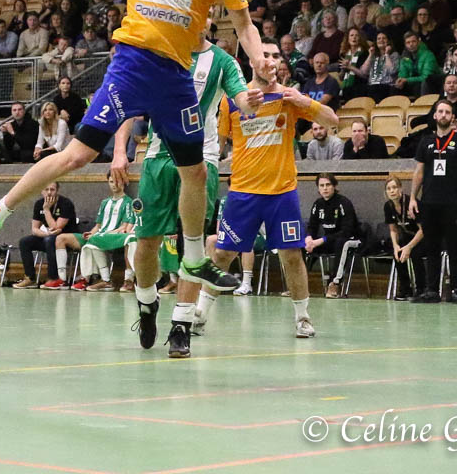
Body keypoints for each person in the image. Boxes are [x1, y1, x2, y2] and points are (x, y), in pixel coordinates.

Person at [0, 0, 272, 357]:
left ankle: (194, 258)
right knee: (77, 156)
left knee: (195, 171)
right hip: (131, 67)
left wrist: (258, 63)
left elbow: (245, 23)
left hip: (175, 77)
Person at [122, 20, 257, 352]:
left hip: (200, 160)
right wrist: (118, 153)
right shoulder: (162, 53)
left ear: (208, 21)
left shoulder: (223, 61)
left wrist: (251, 100)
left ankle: (181, 325)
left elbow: (242, 99)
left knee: (192, 249)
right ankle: (147, 303)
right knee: (146, 243)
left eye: (205, 11)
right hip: (157, 157)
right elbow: (130, 100)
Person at [194, 38, 338, 344]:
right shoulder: (233, 100)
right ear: (253, 60)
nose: (271, 60)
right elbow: (217, 145)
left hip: (282, 193)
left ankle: (302, 317)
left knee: (291, 256)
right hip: (242, 192)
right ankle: (200, 313)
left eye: (276, 56)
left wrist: (305, 103)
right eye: (265, 55)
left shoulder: (289, 98)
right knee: (222, 254)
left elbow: (332, 121)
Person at [408, 99, 457, 304]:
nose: (444, 115)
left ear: (452, 117)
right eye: (440, 111)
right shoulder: (425, 142)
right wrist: (412, 198)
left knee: (454, 247)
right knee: (431, 247)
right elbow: (419, 172)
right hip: (429, 202)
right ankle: (431, 290)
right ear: (435, 115)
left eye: (447, 112)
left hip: (452, 203)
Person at [70, 173, 136, 292]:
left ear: (123, 182)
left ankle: (128, 280)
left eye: (117, 181)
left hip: (117, 236)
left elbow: (124, 227)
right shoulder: (105, 202)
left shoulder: (128, 202)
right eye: (111, 182)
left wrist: (105, 234)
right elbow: (98, 226)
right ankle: (104, 280)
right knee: (90, 242)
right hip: (101, 235)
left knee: (126, 240)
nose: (114, 185)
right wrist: (91, 233)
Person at [13, 182, 79, 290]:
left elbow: (56, 228)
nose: (49, 192)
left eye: (52, 190)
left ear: (57, 191)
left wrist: (47, 210)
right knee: (24, 242)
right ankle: (30, 278)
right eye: (46, 189)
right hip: (49, 237)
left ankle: (54, 278)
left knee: (50, 240)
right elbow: (35, 229)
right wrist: (46, 233)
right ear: (41, 191)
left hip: (66, 240)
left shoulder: (66, 203)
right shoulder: (39, 204)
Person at [305, 174, 360, 299]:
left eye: (328, 185)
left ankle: (335, 283)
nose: (325, 188)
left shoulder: (343, 203)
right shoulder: (318, 204)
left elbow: (347, 231)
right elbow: (312, 226)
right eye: (321, 185)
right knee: (303, 245)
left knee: (342, 243)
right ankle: (298, 284)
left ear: (334, 186)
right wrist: (309, 238)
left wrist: (321, 240)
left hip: (351, 239)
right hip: (329, 239)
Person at [383, 177, 425, 301]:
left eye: (394, 187)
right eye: (389, 189)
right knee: (397, 252)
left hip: (423, 237)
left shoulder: (411, 204)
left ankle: (421, 288)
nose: (392, 191)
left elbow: (423, 230)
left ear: (400, 188)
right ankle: (405, 288)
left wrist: (409, 247)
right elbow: (393, 230)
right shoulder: (388, 206)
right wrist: (395, 245)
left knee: (415, 253)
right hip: (407, 236)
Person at [395, 31, 440, 98]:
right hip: (413, 84)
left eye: (413, 41)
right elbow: (403, 74)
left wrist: (407, 80)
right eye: (408, 42)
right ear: (405, 45)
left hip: (429, 84)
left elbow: (427, 77)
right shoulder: (404, 57)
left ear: (419, 42)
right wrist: (400, 80)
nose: (411, 44)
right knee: (395, 88)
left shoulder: (428, 55)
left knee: (419, 86)